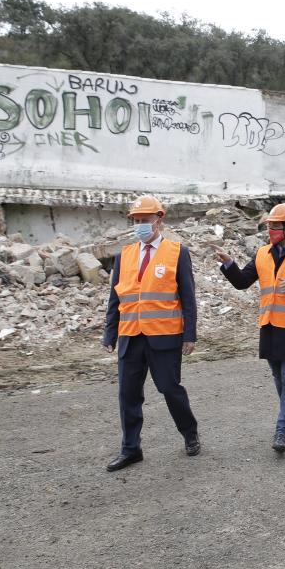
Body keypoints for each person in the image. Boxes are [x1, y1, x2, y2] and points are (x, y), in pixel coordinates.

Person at [212, 203, 285, 453]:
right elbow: (242, 282)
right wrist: (229, 263)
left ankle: (281, 430)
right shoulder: (263, 254)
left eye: (275, 226)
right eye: (269, 226)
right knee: (278, 378)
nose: (270, 230)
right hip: (270, 326)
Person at [102, 195, 200, 472]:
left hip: (164, 336)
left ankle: (190, 433)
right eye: (137, 221)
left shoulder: (177, 252)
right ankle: (131, 449)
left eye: (145, 220)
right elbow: (115, 298)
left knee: (170, 389)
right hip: (130, 336)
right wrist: (109, 334)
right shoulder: (125, 255)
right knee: (128, 395)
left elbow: (188, 297)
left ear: (159, 219)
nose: (141, 225)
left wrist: (189, 334)